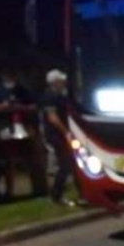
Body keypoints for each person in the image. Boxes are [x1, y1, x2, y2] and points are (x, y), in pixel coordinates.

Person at [40, 69, 76, 206]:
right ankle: (56, 194)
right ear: (54, 82)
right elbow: (53, 118)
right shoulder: (49, 97)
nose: (64, 83)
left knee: (70, 163)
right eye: (61, 81)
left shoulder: (60, 96)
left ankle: (60, 193)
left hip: (60, 135)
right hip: (56, 135)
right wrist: (66, 132)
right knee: (65, 164)